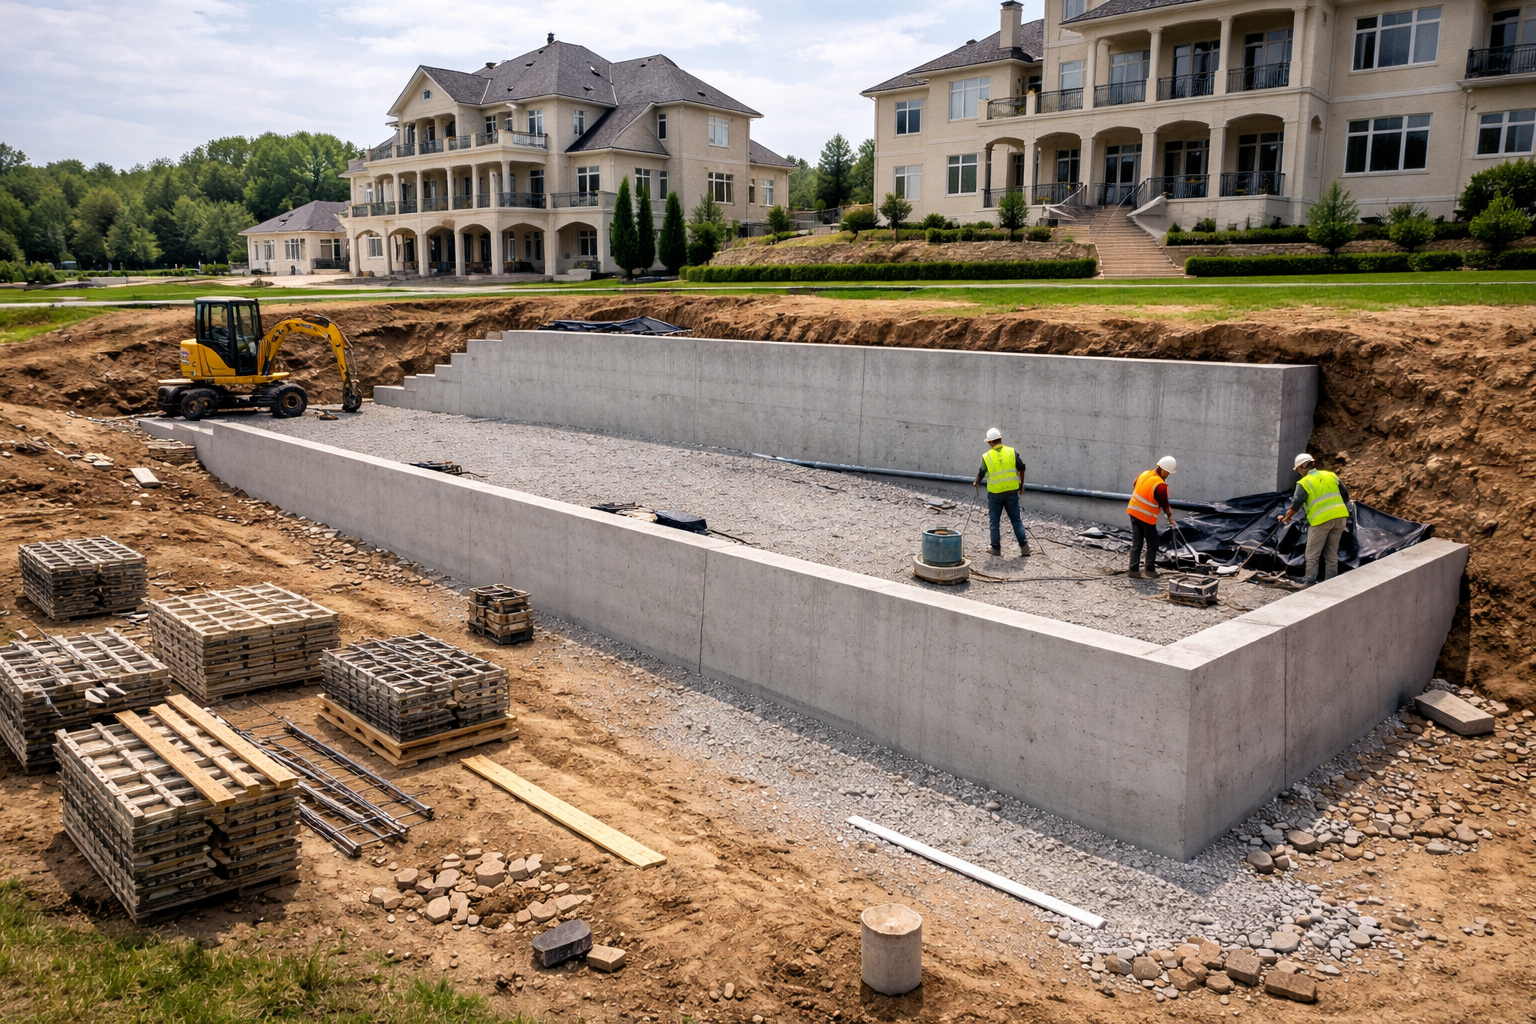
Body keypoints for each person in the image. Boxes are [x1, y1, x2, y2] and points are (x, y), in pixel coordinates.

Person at [1280, 452, 1352, 585]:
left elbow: (1297, 501)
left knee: (1312, 555)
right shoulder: (1330, 475)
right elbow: (1345, 494)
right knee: (1332, 554)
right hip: (1340, 517)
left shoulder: (1304, 482)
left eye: (1298, 469)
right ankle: (1331, 583)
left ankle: (1309, 583)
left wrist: (1287, 517)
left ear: (1302, 467)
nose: (1299, 472)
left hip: (1321, 520)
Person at [973, 427, 1031, 557]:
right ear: (1001, 438)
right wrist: (1021, 485)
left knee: (995, 521)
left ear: (990, 442)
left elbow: (981, 472)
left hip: (995, 494)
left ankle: (996, 548)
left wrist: (976, 481)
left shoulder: (987, 456)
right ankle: (1024, 547)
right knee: (1016, 520)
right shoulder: (1011, 452)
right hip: (1011, 491)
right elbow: (1022, 468)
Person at [1126, 456, 1177, 578]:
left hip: (1133, 511)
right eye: (1168, 472)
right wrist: (1170, 517)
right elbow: (1164, 503)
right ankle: (1149, 569)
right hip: (1146, 517)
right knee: (1153, 542)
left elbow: (1135, 484)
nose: (1168, 475)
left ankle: (1133, 570)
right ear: (1163, 469)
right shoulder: (1160, 485)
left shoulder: (1145, 474)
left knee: (1137, 542)